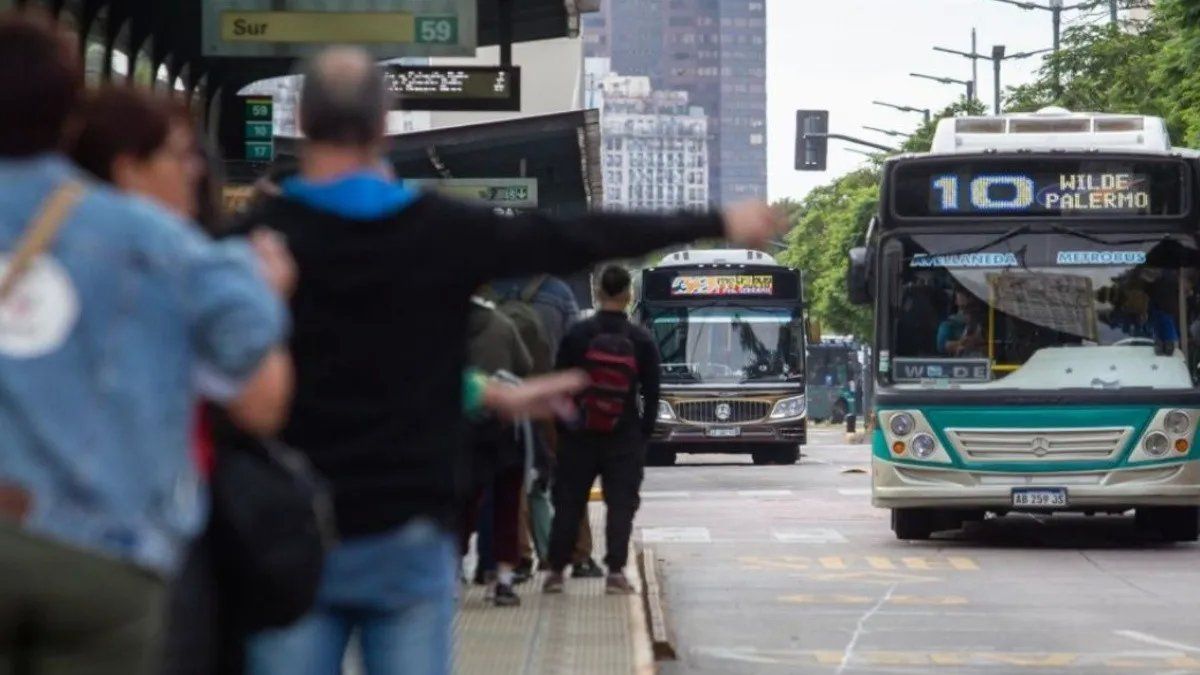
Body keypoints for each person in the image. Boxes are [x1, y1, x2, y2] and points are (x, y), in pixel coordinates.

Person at [238, 46, 785, 675]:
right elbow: (578, 234)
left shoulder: (258, 239)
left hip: (289, 530)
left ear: (302, 122)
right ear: (385, 126)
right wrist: (717, 218)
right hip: (408, 529)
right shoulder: (440, 230)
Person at [0, 12, 289, 675]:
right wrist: (268, 293)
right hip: (101, 554)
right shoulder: (154, 240)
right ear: (69, 110)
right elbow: (259, 399)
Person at [544, 266, 660, 595]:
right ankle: (615, 574)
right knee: (620, 504)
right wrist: (642, 434)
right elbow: (652, 393)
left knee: (569, 502)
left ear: (597, 292)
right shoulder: (640, 339)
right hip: (623, 436)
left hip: (579, 434)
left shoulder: (578, 334)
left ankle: (555, 572)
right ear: (628, 295)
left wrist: (565, 427)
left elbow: (559, 384)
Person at [488, 275, 603, 578]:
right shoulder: (558, 291)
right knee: (570, 474)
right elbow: (578, 343)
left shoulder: (493, 290)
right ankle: (578, 556)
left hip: (508, 398)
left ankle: (517, 558)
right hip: (553, 397)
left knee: (512, 478)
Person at [461, 296, 533, 606]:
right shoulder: (503, 325)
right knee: (505, 506)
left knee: (461, 505)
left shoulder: (444, 324)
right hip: (504, 427)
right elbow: (525, 366)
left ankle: (452, 578)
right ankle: (502, 581)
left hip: (462, 428)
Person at [937, 288, 987, 357]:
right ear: (956, 301)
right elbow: (941, 345)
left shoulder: (981, 324)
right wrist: (961, 343)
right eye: (964, 309)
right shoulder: (948, 323)